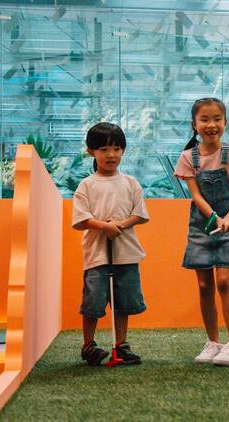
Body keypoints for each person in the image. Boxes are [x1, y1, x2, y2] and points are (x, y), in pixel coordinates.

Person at [174, 98, 229, 366]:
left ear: (225, 122)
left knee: (224, 281)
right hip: (201, 226)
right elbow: (196, 196)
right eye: (204, 119)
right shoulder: (187, 158)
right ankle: (212, 342)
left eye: (217, 118)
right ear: (194, 124)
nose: (211, 124)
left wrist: (228, 217)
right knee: (204, 285)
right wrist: (215, 217)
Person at [72, 122, 149, 366]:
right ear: (91, 152)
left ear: (123, 150)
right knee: (93, 302)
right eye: (104, 149)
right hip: (97, 256)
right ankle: (88, 345)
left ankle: (121, 344)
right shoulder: (87, 185)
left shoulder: (130, 183)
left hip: (126, 254)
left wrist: (120, 225)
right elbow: (80, 219)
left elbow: (141, 214)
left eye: (116, 148)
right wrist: (103, 226)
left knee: (123, 302)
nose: (111, 155)